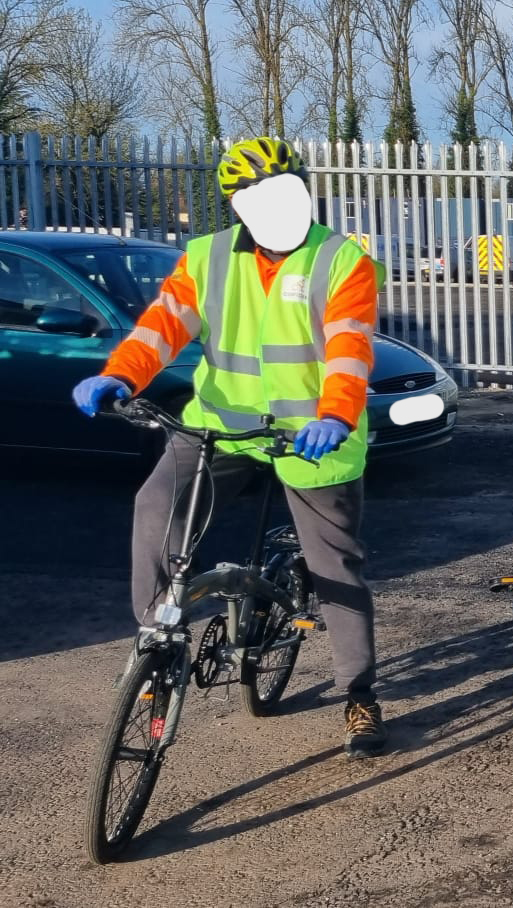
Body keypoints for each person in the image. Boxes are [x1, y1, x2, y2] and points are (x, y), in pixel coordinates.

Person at [72, 137, 387, 758]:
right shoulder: (208, 258)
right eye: (263, 196)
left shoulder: (340, 260)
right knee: (155, 507)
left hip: (313, 437)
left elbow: (350, 346)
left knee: (335, 569)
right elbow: (161, 327)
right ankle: (156, 642)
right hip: (221, 425)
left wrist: (336, 413)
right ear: (239, 205)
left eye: (288, 190)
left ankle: (360, 696)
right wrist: (119, 375)